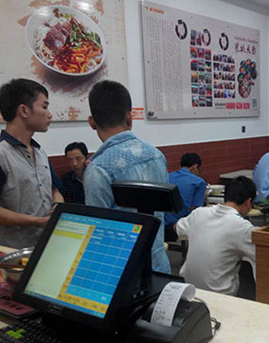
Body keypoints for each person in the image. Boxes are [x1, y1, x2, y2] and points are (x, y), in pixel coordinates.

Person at [83, 80, 170, 274]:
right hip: (158, 265)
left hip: (121, 273)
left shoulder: (98, 169)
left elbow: (98, 234)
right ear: (129, 119)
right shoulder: (157, 156)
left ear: (92, 122)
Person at [0, 78, 63, 249]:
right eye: (44, 107)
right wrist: (36, 221)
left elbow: (55, 190)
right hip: (16, 251)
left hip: (49, 245)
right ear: (24, 110)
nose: (49, 114)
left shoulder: (40, 152)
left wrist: (58, 207)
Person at [175, 176, 257, 296]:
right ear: (249, 202)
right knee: (247, 266)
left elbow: (177, 227)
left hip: (188, 287)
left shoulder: (199, 212)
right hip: (219, 293)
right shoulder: (242, 227)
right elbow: (262, 251)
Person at [164, 153, 207, 242]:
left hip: (160, 223)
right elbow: (195, 210)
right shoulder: (199, 182)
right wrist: (204, 197)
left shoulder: (167, 176)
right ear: (195, 166)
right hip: (175, 226)